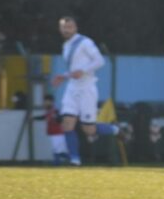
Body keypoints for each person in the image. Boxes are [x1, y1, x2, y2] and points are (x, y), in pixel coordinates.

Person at [51, 16, 120, 166]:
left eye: (69, 27)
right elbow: (74, 69)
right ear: (60, 29)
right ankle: (75, 159)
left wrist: (83, 71)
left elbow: (99, 61)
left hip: (87, 89)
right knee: (67, 123)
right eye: (64, 27)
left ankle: (114, 129)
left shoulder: (84, 42)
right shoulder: (66, 46)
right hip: (72, 88)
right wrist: (63, 76)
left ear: (75, 27)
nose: (66, 30)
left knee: (89, 129)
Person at [32, 94, 69, 165]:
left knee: (57, 151)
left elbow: (60, 119)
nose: (45, 103)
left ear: (51, 102)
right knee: (58, 151)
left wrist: (57, 118)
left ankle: (59, 163)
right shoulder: (49, 111)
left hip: (58, 134)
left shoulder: (55, 111)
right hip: (53, 133)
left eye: (46, 101)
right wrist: (34, 118)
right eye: (44, 101)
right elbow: (43, 117)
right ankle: (70, 160)